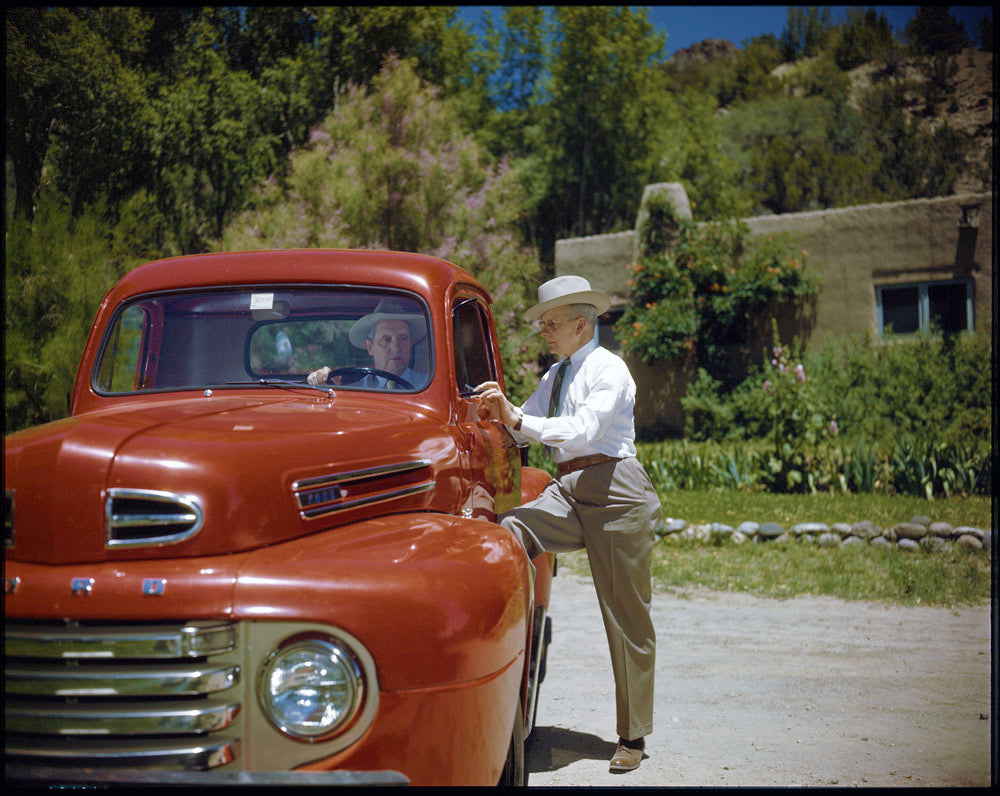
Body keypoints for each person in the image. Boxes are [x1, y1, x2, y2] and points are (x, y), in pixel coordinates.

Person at [474, 275, 660, 774]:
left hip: (615, 491)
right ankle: (504, 670)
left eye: (551, 323)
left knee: (625, 617)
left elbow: (583, 431)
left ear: (581, 324)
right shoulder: (553, 378)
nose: (544, 332)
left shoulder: (610, 370)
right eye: (541, 324)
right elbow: (519, 433)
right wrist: (483, 417)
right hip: (567, 490)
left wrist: (515, 419)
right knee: (507, 533)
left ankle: (632, 737)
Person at [307, 298, 426, 389]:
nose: (395, 347)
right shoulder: (356, 391)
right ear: (370, 347)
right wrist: (322, 380)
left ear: (411, 343)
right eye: (386, 339)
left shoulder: (429, 386)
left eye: (403, 338)